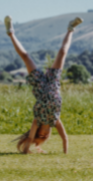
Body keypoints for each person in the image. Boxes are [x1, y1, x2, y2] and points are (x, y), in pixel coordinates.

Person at [5, 15, 83, 154]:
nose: (45, 134)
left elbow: (29, 139)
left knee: (26, 56)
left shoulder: (37, 121)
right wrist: (65, 154)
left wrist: (26, 150)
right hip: (53, 82)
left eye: (40, 135)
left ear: (37, 132)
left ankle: (10, 32)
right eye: (45, 137)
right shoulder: (55, 120)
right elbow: (65, 138)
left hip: (39, 85)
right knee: (62, 52)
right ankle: (70, 29)